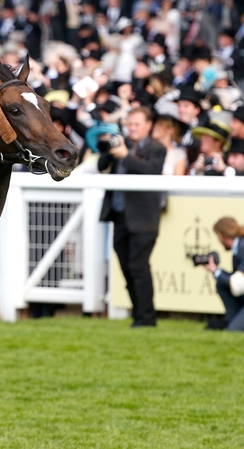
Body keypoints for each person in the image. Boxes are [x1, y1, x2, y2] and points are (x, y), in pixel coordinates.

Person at [98, 107, 167, 327]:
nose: (132, 128)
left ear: (149, 126)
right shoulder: (122, 143)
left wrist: (125, 156)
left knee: (139, 267)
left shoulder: (157, 148)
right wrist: (109, 149)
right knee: (126, 267)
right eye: (130, 124)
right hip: (119, 216)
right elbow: (101, 166)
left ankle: (146, 317)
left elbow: (151, 171)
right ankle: (139, 315)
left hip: (144, 217)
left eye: (137, 124)